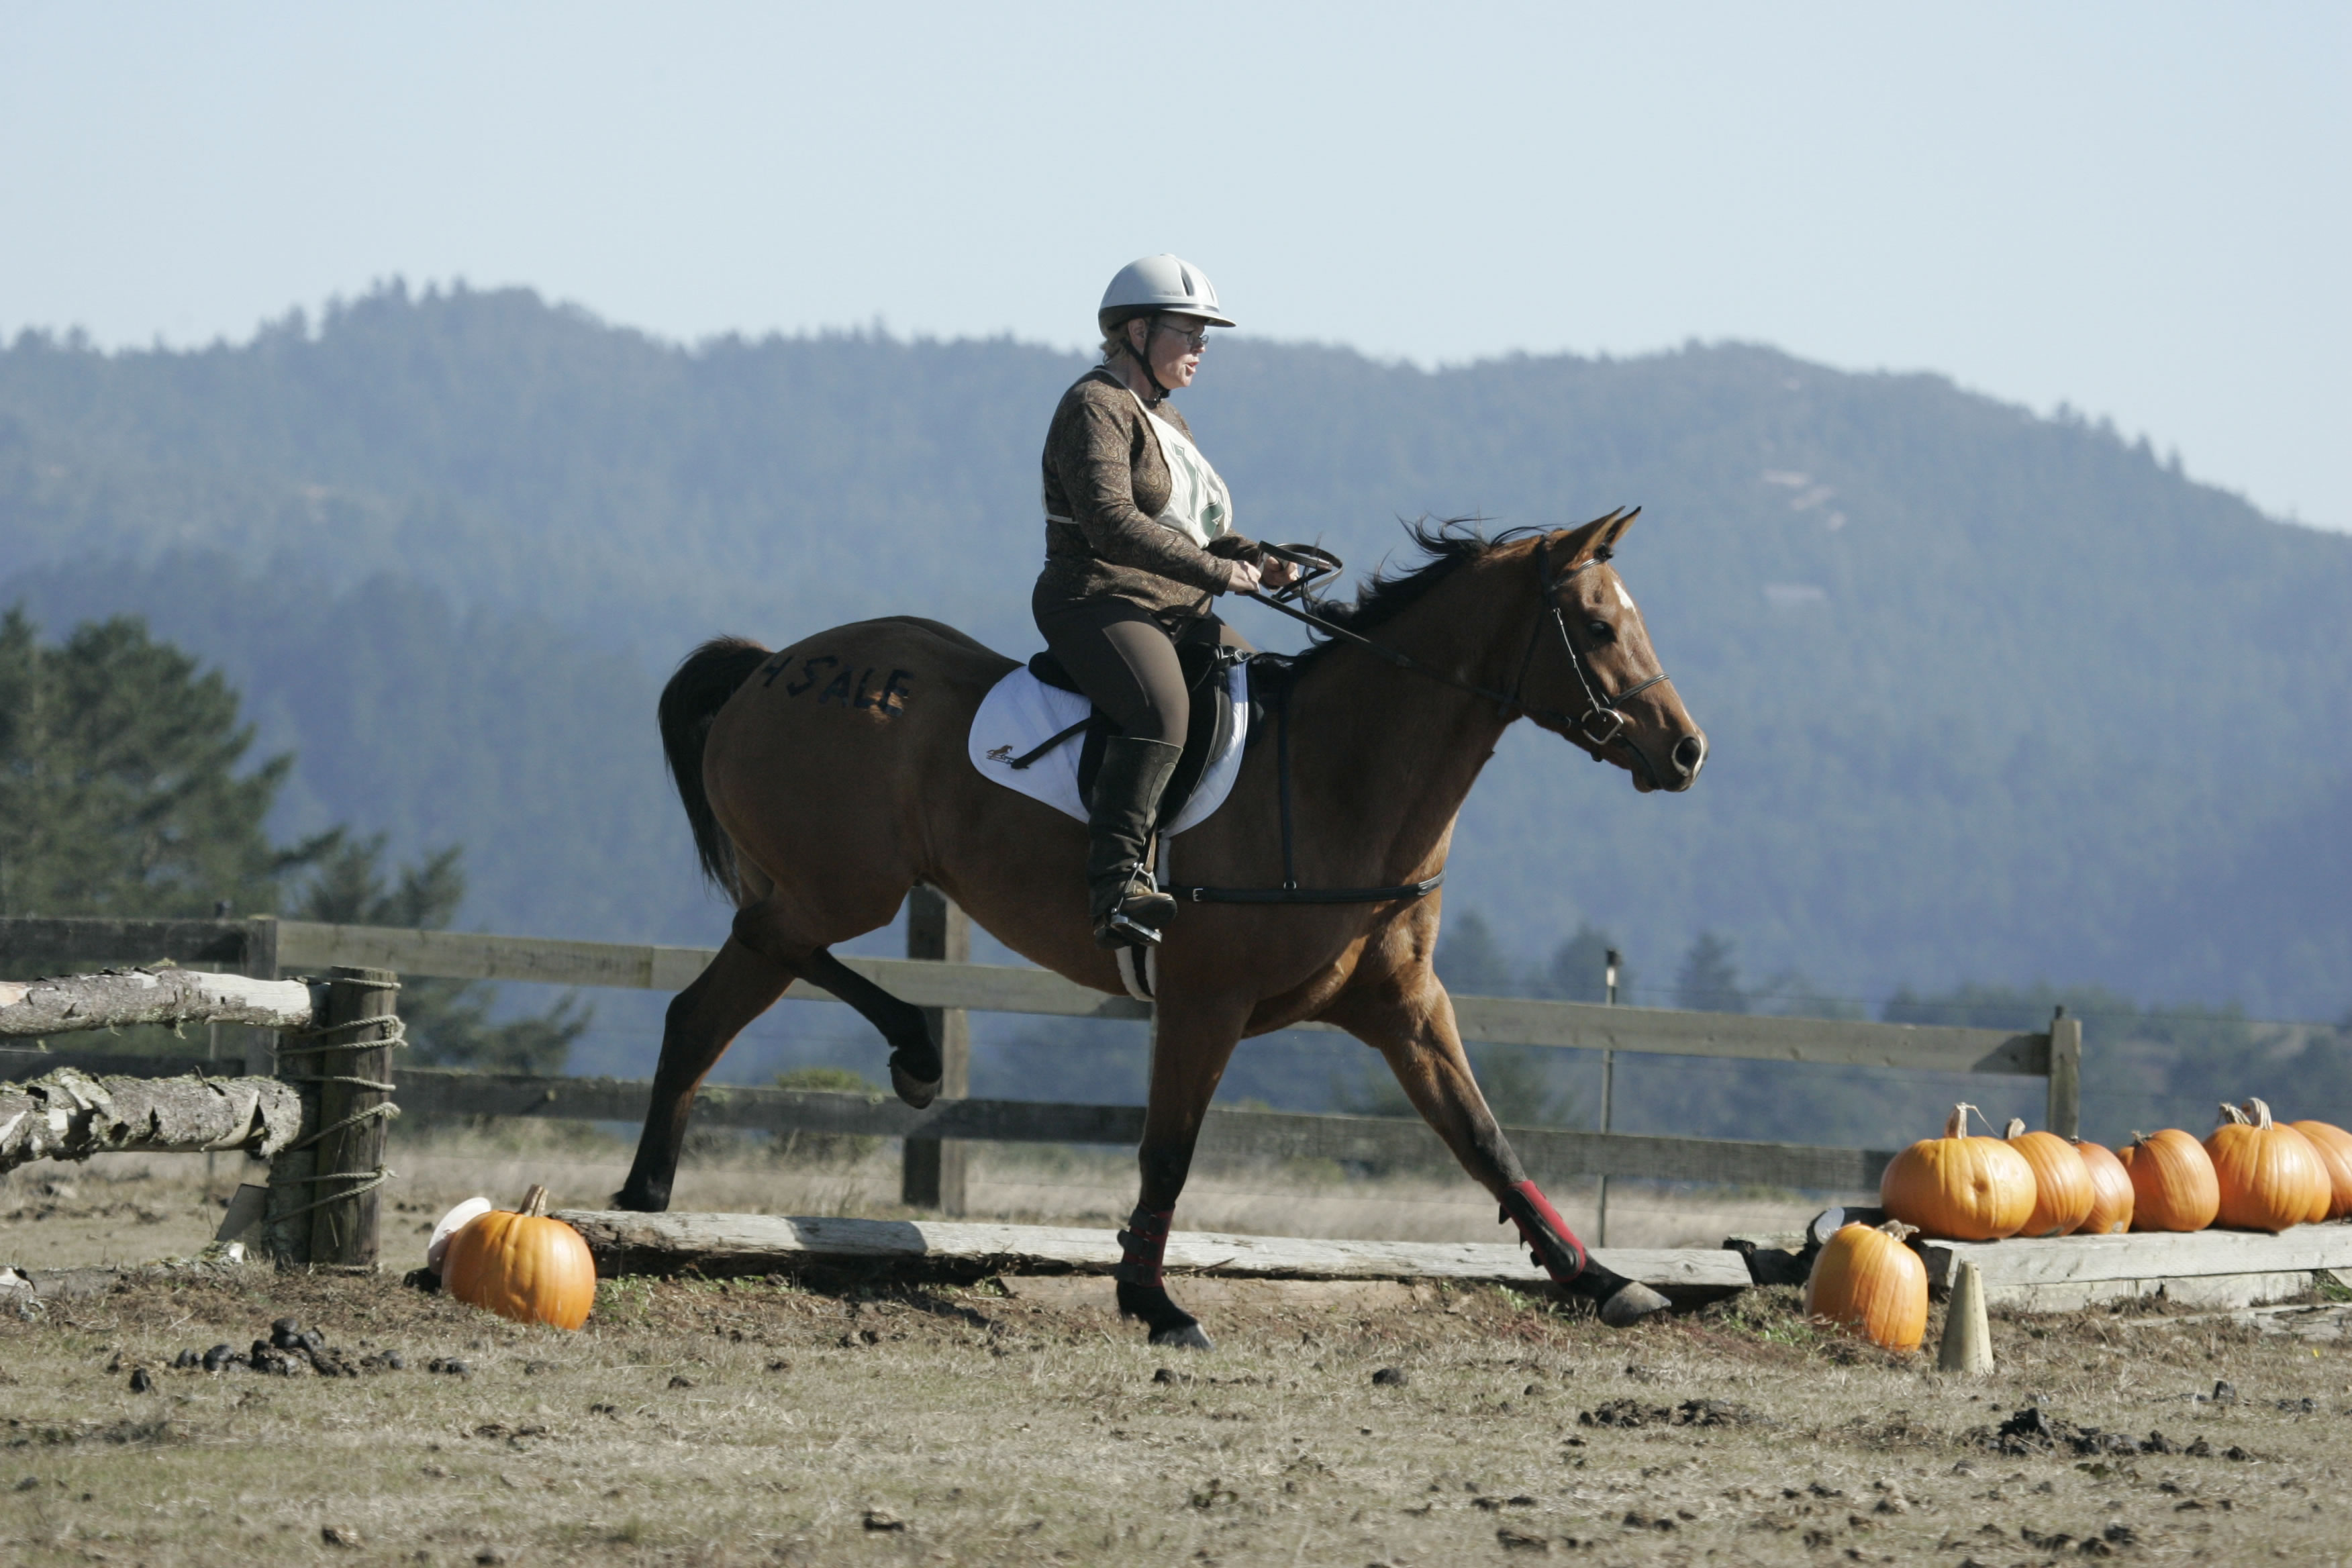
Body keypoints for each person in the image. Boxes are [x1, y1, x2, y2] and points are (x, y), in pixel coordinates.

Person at [1034, 254, 1297, 949]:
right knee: (1161, 710)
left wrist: (1259, 559)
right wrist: (1217, 572)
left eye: (1205, 336)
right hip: (1095, 597)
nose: (1201, 348)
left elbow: (1196, 530)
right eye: (1190, 333)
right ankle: (1116, 886)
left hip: (1179, 608)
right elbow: (1112, 523)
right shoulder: (1094, 406)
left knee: (1263, 692)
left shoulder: (1168, 417)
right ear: (1137, 331)